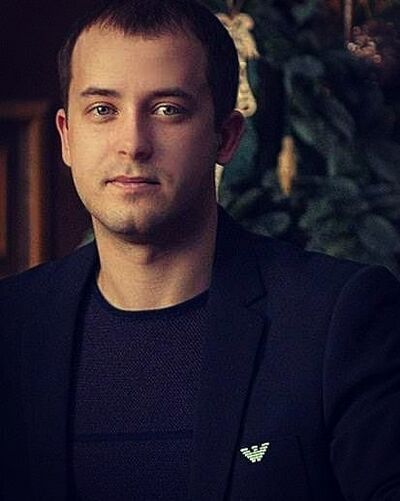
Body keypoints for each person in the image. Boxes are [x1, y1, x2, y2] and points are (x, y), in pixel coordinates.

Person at [1, 0, 400, 499]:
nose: (133, 143)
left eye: (167, 109)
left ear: (226, 137)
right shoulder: (12, 325)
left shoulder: (337, 319)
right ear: (67, 137)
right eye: (103, 110)